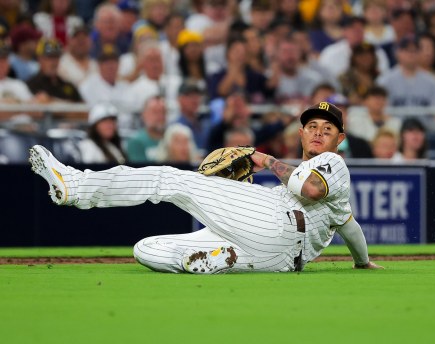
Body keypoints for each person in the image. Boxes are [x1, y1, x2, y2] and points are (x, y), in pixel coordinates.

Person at [29, 101, 382, 274]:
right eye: (312, 125)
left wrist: (260, 159)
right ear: (301, 133)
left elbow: (312, 190)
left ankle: (76, 187)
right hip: (278, 260)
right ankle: (216, 260)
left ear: (340, 139)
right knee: (146, 249)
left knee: (170, 178)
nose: (319, 131)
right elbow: (350, 227)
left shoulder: (333, 164)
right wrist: (362, 262)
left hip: (279, 221)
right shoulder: (326, 180)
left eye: (328, 128)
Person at [125, 95, 167, 162]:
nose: (160, 116)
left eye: (163, 112)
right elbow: (141, 171)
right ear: (144, 114)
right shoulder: (136, 142)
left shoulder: (172, 138)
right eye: (155, 112)